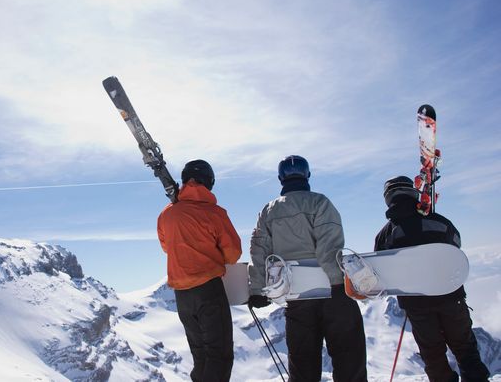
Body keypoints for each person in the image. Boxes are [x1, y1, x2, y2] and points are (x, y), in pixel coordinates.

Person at [248, 155, 367, 382]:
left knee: (303, 365)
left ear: (280, 179)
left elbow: (259, 251)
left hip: (297, 297)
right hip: (333, 293)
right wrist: (339, 286)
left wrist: (256, 290)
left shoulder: (268, 211)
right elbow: (329, 248)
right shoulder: (320, 203)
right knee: (348, 357)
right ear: (307, 175)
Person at [374, 175, 490, 382]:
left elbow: (383, 269)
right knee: (465, 349)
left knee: (433, 355)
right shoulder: (437, 221)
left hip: (416, 304)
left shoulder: (385, 235)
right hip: (450, 296)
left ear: (388, 198)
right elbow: (456, 245)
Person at [157, 159, 242, 382]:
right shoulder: (215, 213)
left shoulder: (167, 215)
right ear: (209, 182)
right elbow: (233, 253)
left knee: (200, 356)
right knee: (219, 355)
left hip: (182, 295)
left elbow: (167, 247)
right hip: (208, 291)